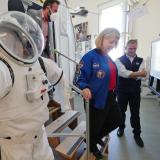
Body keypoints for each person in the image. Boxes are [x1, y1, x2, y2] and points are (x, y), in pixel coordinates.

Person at [0, 11, 69, 160]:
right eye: (11, 37)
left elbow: (61, 76)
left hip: (41, 137)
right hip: (14, 146)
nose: (16, 43)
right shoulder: (3, 70)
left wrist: (65, 105)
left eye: (18, 38)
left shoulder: (40, 63)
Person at [77, 28, 122, 159]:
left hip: (110, 96)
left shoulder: (107, 57)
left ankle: (92, 138)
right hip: (96, 98)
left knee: (117, 120)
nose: (112, 45)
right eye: (110, 41)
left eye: (115, 43)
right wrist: (84, 87)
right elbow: (78, 77)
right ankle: (92, 145)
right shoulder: (90, 56)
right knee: (95, 125)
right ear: (102, 39)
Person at [28, 0, 61, 108]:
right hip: (32, 52)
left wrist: (51, 56)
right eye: (55, 10)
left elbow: (49, 40)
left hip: (44, 52)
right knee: (37, 77)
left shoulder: (50, 22)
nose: (55, 13)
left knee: (49, 74)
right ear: (48, 7)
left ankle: (50, 99)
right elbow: (25, 32)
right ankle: (38, 102)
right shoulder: (32, 13)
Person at [115, 39, 147, 147]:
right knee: (121, 111)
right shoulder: (119, 60)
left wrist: (133, 75)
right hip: (122, 91)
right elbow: (123, 73)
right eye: (130, 48)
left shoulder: (141, 60)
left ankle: (137, 134)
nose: (132, 50)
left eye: (134, 48)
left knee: (135, 113)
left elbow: (143, 77)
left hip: (135, 92)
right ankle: (121, 128)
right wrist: (138, 74)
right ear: (125, 48)